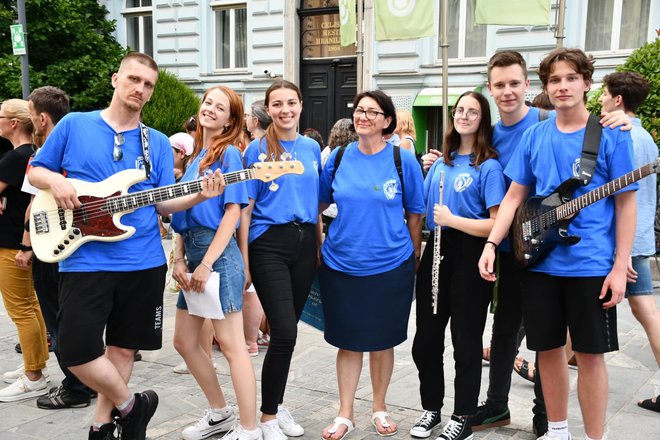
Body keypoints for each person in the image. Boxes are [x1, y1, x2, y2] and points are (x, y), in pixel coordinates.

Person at [27, 52, 224, 440]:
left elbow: (162, 203)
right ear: (116, 79)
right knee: (74, 349)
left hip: (142, 260)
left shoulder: (157, 143)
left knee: (120, 350)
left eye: (148, 84)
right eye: (134, 79)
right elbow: (35, 170)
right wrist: (55, 181)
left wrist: (200, 195)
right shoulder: (74, 125)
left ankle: (102, 426)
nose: (140, 89)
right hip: (83, 259)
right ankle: (133, 406)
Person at [478, 47, 637, 440]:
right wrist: (491, 243)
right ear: (546, 87)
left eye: (571, 78)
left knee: (589, 357)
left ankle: (595, 436)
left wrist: (620, 266)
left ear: (586, 83)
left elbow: (626, 203)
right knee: (546, 351)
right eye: (555, 80)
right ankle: (557, 431)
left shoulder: (611, 133)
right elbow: (515, 195)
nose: (563, 86)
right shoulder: (535, 135)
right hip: (540, 262)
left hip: (591, 265)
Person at [318, 90, 425, 440]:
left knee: (382, 341)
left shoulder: (402, 159)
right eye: (359, 110)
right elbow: (318, 204)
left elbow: (415, 214)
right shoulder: (337, 157)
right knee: (348, 342)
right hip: (341, 264)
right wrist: (320, 243)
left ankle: (379, 407)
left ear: (387, 121)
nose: (363, 116)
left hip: (390, 265)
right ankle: (345, 413)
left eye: (372, 112)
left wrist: (410, 257)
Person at [410, 92, 505, 440]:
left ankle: (463, 413)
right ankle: (430, 409)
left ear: (483, 119)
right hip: (436, 251)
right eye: (460, 110)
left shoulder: (488, 166)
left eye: (473, 111)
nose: (464, 116)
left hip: (472, 253)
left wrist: (454, 219)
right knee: (426, 341)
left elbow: (497, 224)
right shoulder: (440, 164)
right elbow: (421, 211)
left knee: (465, 341)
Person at [171, 86, 261, 440]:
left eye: (220, 107)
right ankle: (220, 413)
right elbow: (180, 212)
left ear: (230, 120)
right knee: (185, 342)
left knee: (233, 346)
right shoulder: (196, 155)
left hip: (216, 254)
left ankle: (250, 428)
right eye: (208, 102)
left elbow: (232, 214)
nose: (210, 109)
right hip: (192, 253)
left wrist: (206, 263)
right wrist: (178, 259)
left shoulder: (229, 156)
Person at [239, 79, 321, 440]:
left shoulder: (312, 148)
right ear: (267, 110)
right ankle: (268, 416)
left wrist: (319, 244)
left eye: (291, 102)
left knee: (286, 333)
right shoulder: (255, 151)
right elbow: (245, 208)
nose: (285, 110)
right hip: (268, 243)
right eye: (277, 104)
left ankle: (277, 403)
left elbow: (317, 203)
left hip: (305, 245)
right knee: (284, 331)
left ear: (301, 105)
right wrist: (244, 259)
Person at [11, 86, 98, 409]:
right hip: (78, 244)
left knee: (58, 320)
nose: (32, 122)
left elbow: (33, 206)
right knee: (77, 316)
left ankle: (76, 386)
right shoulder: (80, 146)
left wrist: (25, 246)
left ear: (43, 119)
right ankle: (88, 380)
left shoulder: (42, 156)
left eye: (32, 116)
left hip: (51, 245)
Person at [598, 71, 660, 414]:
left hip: (624, 241)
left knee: (643, 311)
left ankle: (551, 374)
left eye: (605, 93)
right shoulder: (646, 137)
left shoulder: (622, 136)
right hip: (638, 238)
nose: (602, 99)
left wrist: (620, 258)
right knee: (642, 310)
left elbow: (620, 199)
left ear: (618, 99)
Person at [0, 99, 50, 403]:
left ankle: (34, 376)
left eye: (1, 116)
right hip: (23, 241)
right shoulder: (31, 154)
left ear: (14, 123)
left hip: (10, 243)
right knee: (31, 305)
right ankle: (35, 364)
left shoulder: (12, 159)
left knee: (21, 309)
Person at [320, 118, 358, 230]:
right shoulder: (357, 152)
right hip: (348, 207)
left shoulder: (327, 151)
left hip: (330, 208)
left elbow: (321, 171)